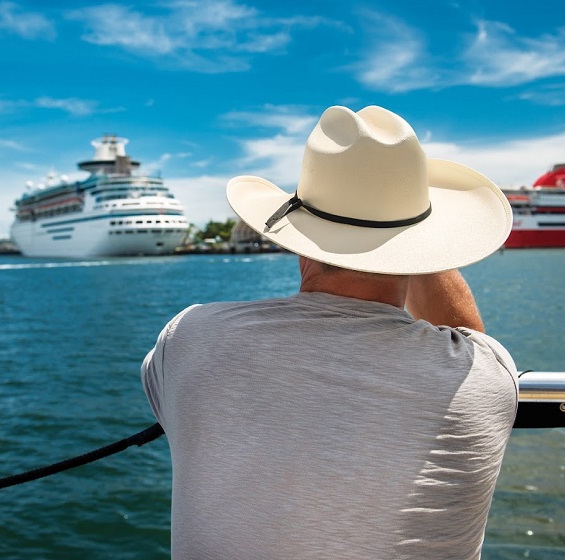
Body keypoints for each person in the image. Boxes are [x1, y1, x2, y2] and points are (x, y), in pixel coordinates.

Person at [142, 105, 518, 559]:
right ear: (424, 247)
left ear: (297, 236)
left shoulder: (188, 337)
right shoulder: (486, 376)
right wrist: (410, 234)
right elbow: (466, 337)